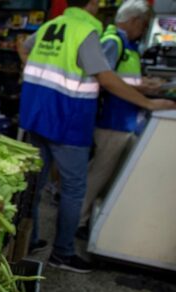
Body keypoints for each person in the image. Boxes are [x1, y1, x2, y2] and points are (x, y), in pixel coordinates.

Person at [17, 0, 175, 273]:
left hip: (36, 115)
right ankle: (63, 254)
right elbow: (105, 77)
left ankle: (28, 240)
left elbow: (24, 47)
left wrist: (36, 80)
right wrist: (148, 103)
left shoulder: (51, 26)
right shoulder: (86, 31)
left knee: (35, 184)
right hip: (68, 120)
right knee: (74, 190)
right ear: (91, 4)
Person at [77, 0, 161, 240]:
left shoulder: (125, 43)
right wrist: (147, 100)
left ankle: (83, 218)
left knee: (103, 171)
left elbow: (119, 78)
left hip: (123, 118)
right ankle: (77, 221)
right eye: (143, 25)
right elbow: (104, 78)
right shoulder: (113, 41)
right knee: (98, 173)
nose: (143, 30)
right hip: (112, 120)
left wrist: (143, 85)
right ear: (134, 21)